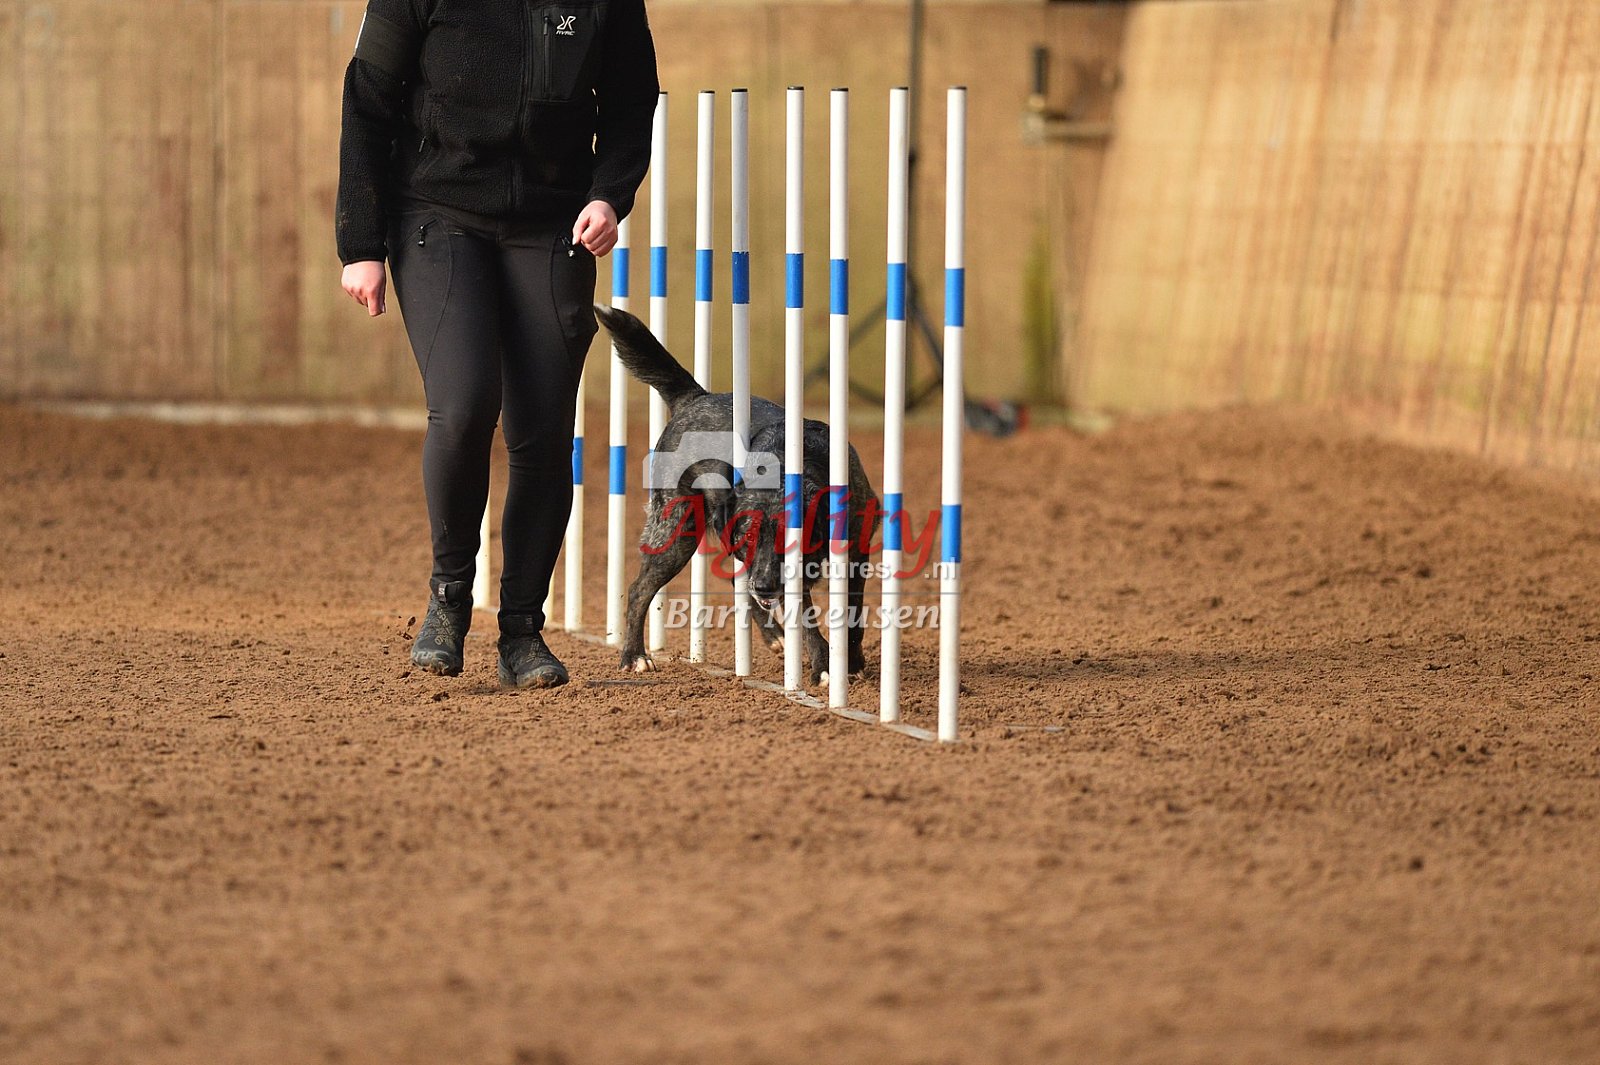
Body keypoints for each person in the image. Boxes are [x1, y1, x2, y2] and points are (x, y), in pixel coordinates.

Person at [335, 0, 658, 688]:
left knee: (542, 431)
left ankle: (522, 631)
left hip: (553, 222)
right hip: (437, 213)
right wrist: (360, 243)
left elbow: (632, 102)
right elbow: (367, 101)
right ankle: (449, 600)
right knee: (463, 406)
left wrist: (609, 196)